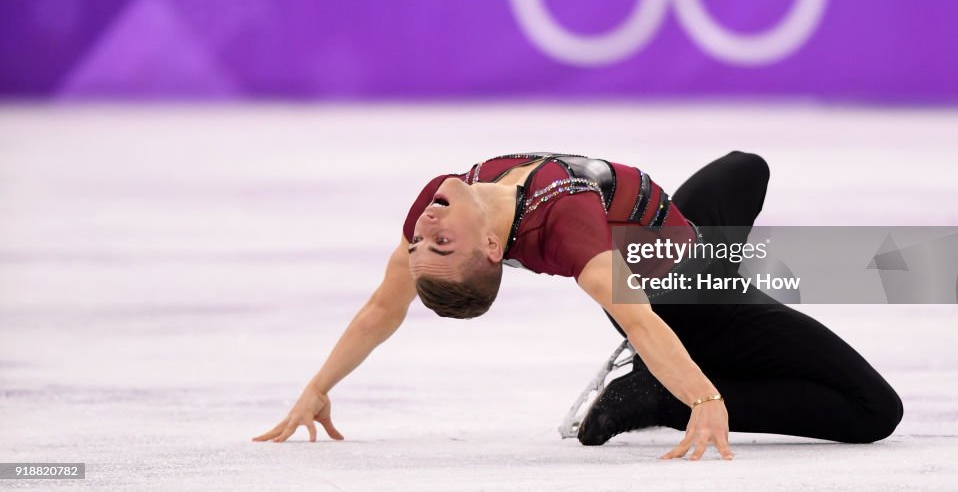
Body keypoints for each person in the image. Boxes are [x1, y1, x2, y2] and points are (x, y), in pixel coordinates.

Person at [253, 151, 903, 460]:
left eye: (422, 240)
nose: (422, 228)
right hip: (693, 301)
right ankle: (658, 398)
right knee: (875, 411)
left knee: (744, 169)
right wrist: (703, 402)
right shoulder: (566, 230)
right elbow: (639, 315)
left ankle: (674, 363)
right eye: (435, 243)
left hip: (680, 235)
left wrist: (317, 386)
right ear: (485, 248)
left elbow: (381, 308)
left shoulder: (441, 202)